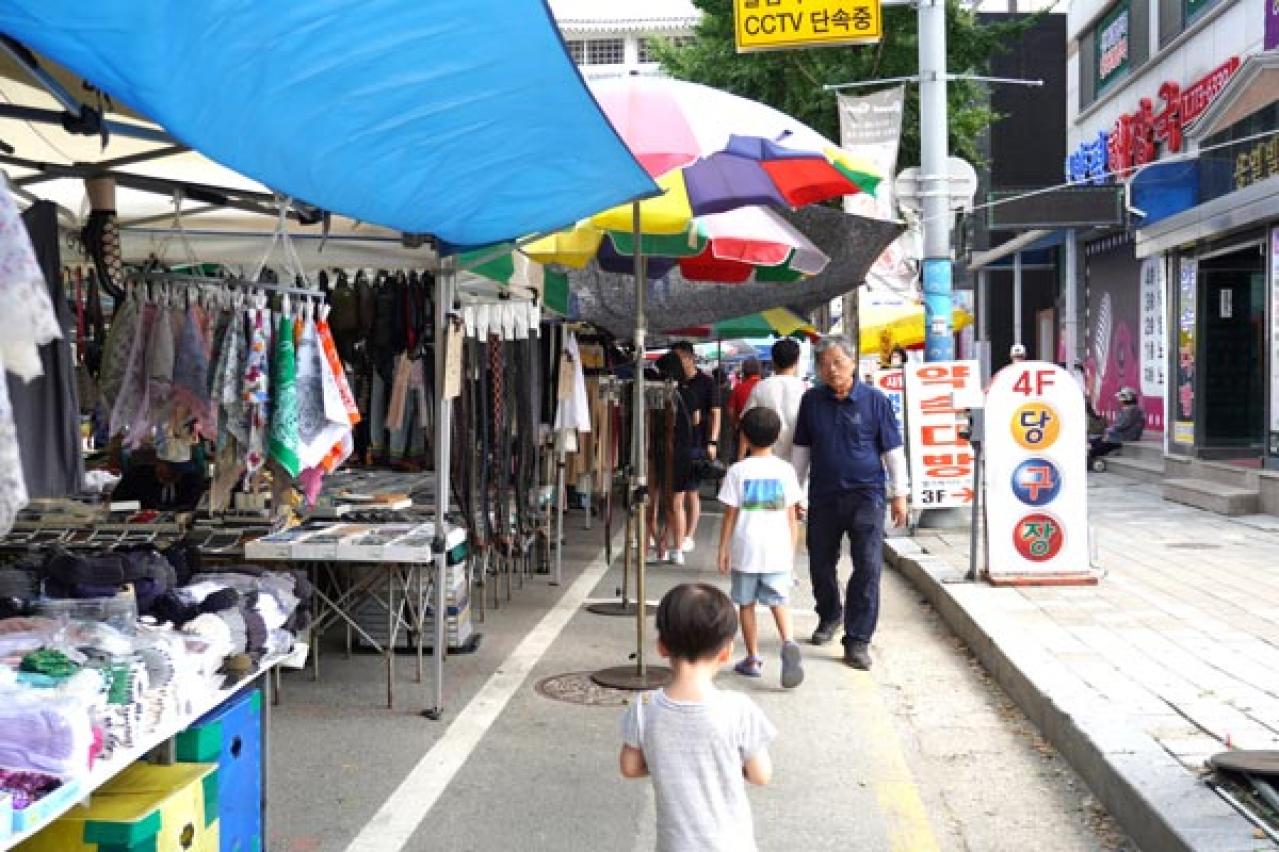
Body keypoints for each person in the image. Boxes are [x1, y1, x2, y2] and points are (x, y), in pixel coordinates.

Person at [619, 583, 776, 852]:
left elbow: (630, 767)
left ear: (662, 646)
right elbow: (761, 775)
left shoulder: (644, 707)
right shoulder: (739, 710)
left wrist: (667, 763)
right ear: (726, 652)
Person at [792, 335, 909, 670]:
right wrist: (795, 493)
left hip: (867, 496)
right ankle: (830, 614)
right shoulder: (812, 401)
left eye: (838, 363)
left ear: (853, 363)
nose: (832, 370)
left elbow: (893, 452)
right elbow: (802, 451)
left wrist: (900, 494)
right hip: (824, 496)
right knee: (819, 564)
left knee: (869, 566)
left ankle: (858, 640)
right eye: (825, 364)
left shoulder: (874, 401)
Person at [717, 407, 805, 688]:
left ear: (743, 434)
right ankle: (788, 641)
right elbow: (792, 516)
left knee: (746, 604)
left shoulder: (737, 471)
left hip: (746, 549)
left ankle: (753, 658)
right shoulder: (785, 470)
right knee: (779, 601)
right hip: (778, 549)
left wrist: (723, 548)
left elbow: (730, 514)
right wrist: (791, 552)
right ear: (778, 436)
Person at [669, 340, 721, 556]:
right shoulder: (673, 382)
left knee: (690, 493)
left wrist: (712, 442)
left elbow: (716, 413)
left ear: (690, 358)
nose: (676, 363)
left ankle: (688, 536)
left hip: (697, 444)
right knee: (679, 494)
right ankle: (680, 539)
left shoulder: (707, 383)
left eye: (679, 358)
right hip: (674, 443)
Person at [741, 338, 807, 463]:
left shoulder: (761, 387)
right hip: (798, 464)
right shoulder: (806, 390)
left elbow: (746, 424)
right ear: (797, 361)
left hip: (765, 461)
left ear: (773, 361)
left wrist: (741, 459)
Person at [1089, 387, 1144, 466]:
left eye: (1121, 398)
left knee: (1103, 444)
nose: (1119, 400)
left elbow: (1122, 425)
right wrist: (1109, 431)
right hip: (1121, 434)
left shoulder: (1133, 410)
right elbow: (1118, 425)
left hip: (1127, 436)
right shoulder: (1127, 409)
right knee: (1096, 441)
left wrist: (1109, 431)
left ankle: (1090, 455)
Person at [727, 357, 762, 460]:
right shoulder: (765, 386)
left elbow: (731, 411)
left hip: (743, 432)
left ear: (744, 371)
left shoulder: (738, 388)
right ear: (759, 370)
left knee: (741, 462)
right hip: (764, 434)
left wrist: (735, 423)